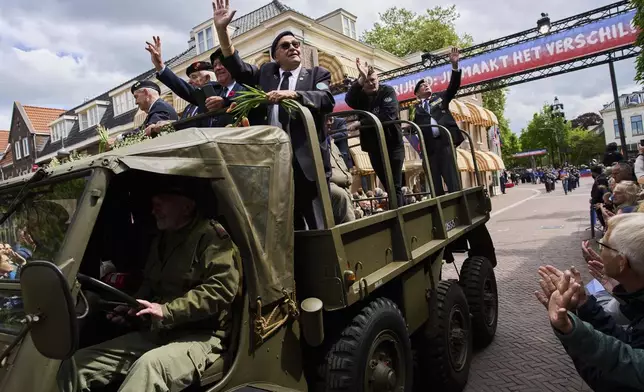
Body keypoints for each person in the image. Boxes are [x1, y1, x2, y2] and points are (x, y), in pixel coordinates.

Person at [59, 180, 241, 392]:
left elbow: (221, 289)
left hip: (202, 336)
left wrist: (167, 311)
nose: (153, 210)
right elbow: (150, 283)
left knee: (148, 368)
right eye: (153, 204)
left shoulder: (211, 238)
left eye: (160, 204)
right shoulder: (162, 239)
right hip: (160, 332)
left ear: (187, 207)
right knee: (76, 364)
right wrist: (133, 308)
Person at [210, 0, 335, 230]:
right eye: (285, 45)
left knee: (321, 228)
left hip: (308, 167)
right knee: (287, 230)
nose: (293, 47)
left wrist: (293, 94)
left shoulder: (318, 73)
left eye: (295, 44)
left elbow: (326, 101)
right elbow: (238, 67)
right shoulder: (267, 74)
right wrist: (221, 32)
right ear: (275, 56)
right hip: (274, 165)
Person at [146, 36, 243, 130]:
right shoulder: (211, 93)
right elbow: (183, 88)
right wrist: (159, 65)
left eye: (222, 63)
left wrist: (224, 103)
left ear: (233, 63)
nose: (217, 68)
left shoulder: (247, 84)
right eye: (215, 65)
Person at [344, 59, 405, 207]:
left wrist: (361, 123)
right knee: (387, 184)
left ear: (378, 79)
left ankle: (400, 218)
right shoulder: (361, 97)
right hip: (373, 147)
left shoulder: (387, 91)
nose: (371, 83)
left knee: (395, 184)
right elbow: (349, 99)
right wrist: (360, 79)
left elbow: (388, 115)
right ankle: (396, 213)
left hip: (393, 144)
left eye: (373, 80)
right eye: (367, 81)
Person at [413, 47, 464, 197]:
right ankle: (442, 213)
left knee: (452, 181)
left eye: (427, 84)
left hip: (445, 144)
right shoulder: (415, 110)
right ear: (417, 94)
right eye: (422, 85)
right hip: (430, 150)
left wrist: (454, 65)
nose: (426, 85)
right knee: (435, 186)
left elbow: (453, 86)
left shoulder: (440, 97)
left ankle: (459, 208)